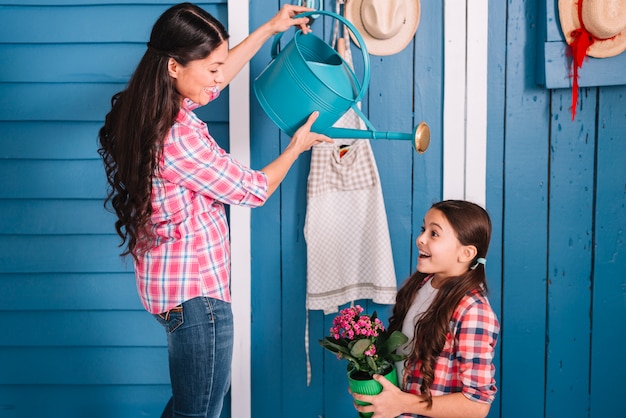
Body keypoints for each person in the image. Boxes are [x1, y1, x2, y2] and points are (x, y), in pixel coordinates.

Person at [98, 3, 332, 417]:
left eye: (219, 65)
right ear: (174, 66)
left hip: (173, 290)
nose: (218, 78)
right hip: (198, 299)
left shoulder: (149, 109)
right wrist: (297, 146)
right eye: (211, 68)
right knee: (200, 412)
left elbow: (215, 75)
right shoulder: (179, 137)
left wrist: (269, 29)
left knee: (190, 408)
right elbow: (253, 189)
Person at [352, 200, 500, 418]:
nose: (420, 239)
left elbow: (477, 405)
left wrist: (403, 403)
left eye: (434, 234)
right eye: (424, 229)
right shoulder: (422, 285)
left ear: (466, 253)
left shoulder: (473, 311)